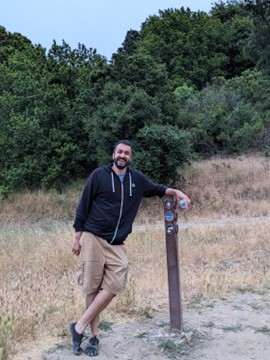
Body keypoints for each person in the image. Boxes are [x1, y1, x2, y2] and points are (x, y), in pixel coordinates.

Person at [69, 139, 190, 356]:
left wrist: (178, 192)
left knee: (115, 285)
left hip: (117, 243)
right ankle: (94, 337)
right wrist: (77, 238)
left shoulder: (137, 179)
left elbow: (159, 189)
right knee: (92, 288)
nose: (122, 156)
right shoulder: (99, 175)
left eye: (126, 153)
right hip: (93, 237)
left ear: (130, 157)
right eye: (119, 152)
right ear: (113, 154)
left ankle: (78, 326)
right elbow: (83, 206)